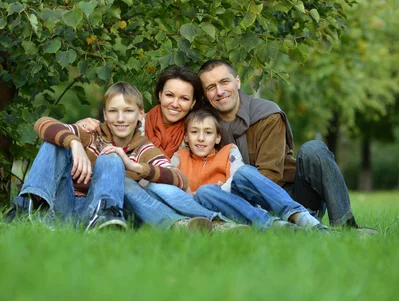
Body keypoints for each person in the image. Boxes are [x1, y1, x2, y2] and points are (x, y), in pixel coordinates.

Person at [196, 59, 378, 233]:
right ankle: (280, 226)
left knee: (313, 149)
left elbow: (270, 176)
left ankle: (346, 226)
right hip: (238, 201)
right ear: (205, 94)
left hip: (289, 195)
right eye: (211, 87)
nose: (219, 91)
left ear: (237, 81)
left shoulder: (267, 115)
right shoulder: (204, 127)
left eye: (224, 82)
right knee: (207, 192)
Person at [7, 82, 196, 231]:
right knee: (54, 141)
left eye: (128, 111)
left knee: (111, 158)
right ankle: (27, 204)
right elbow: (42, 123)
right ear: (105, 114)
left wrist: (135, 166)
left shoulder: (144, 148)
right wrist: (74, 143)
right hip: (65, 204)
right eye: (113, 111)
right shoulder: (92, 134)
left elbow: (180, 178)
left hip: (94, 209)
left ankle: (105, 217)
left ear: (140, 115)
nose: (120, 118)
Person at [77, 69, 223, 230]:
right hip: (136, 196)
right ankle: (198, 224)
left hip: (180, 196)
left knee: (158, 187)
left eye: (184, 98)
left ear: (193, 103)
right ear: (160, 95)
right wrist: (81, 128)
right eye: (170, 95)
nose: (175, 103)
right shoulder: (134, 123)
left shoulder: (195, 133)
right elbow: (110, 126)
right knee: (131, 184)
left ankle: (211, 222)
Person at [173, 109, 328, 231]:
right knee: (205, 192)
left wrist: (222, 188)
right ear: (186, 137)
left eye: (208, 132)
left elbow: (236, 177)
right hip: (212, 206)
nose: (201, 138)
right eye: (194, 132)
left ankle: (300, 216)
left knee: (245, 171)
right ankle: (273, 225)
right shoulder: (179, 157)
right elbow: (172, 190)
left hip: (239, 200)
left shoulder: (228, 151)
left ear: (218, 137)